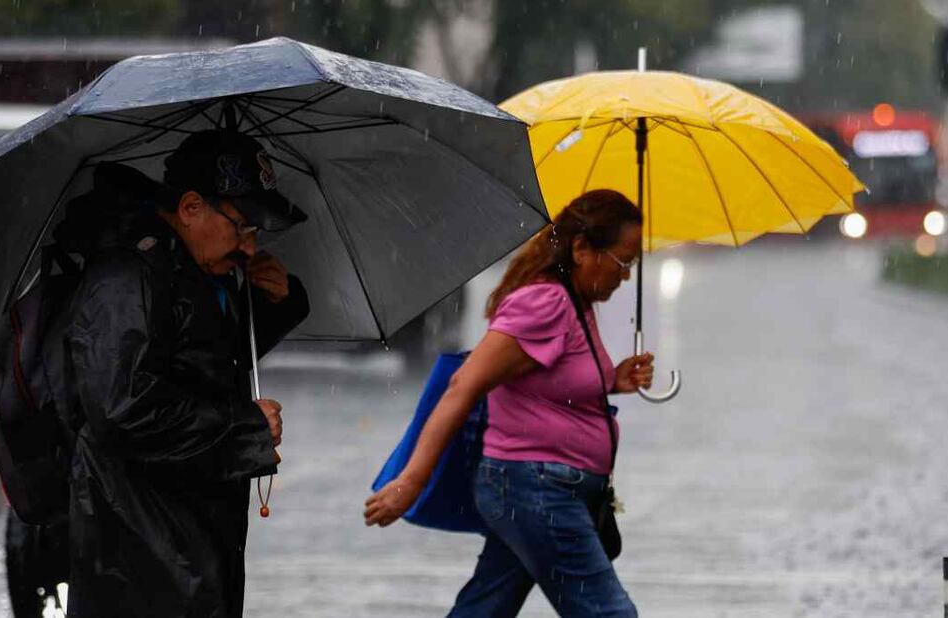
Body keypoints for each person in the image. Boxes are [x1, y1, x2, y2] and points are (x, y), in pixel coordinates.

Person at [365, 189, 653, 617]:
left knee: (485, 609)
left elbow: (549, 382)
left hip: (540, 488)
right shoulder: (546, 302)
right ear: (580, 248)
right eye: (621, 261)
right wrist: (412, 481)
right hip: (535, 489)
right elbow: (465, 384)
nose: (626, 276)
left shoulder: (576, 302)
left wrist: (612, 380)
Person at [63, 129, 309, 618]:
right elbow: (122, 406)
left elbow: (203, 360)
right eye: (242, 227)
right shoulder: (127, 277)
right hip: (138, 531)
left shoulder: (194, 269)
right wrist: (245, 426)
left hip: (190, 523)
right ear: (192, 208)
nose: (248, 247)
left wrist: (274, 302)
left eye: (257, 233)